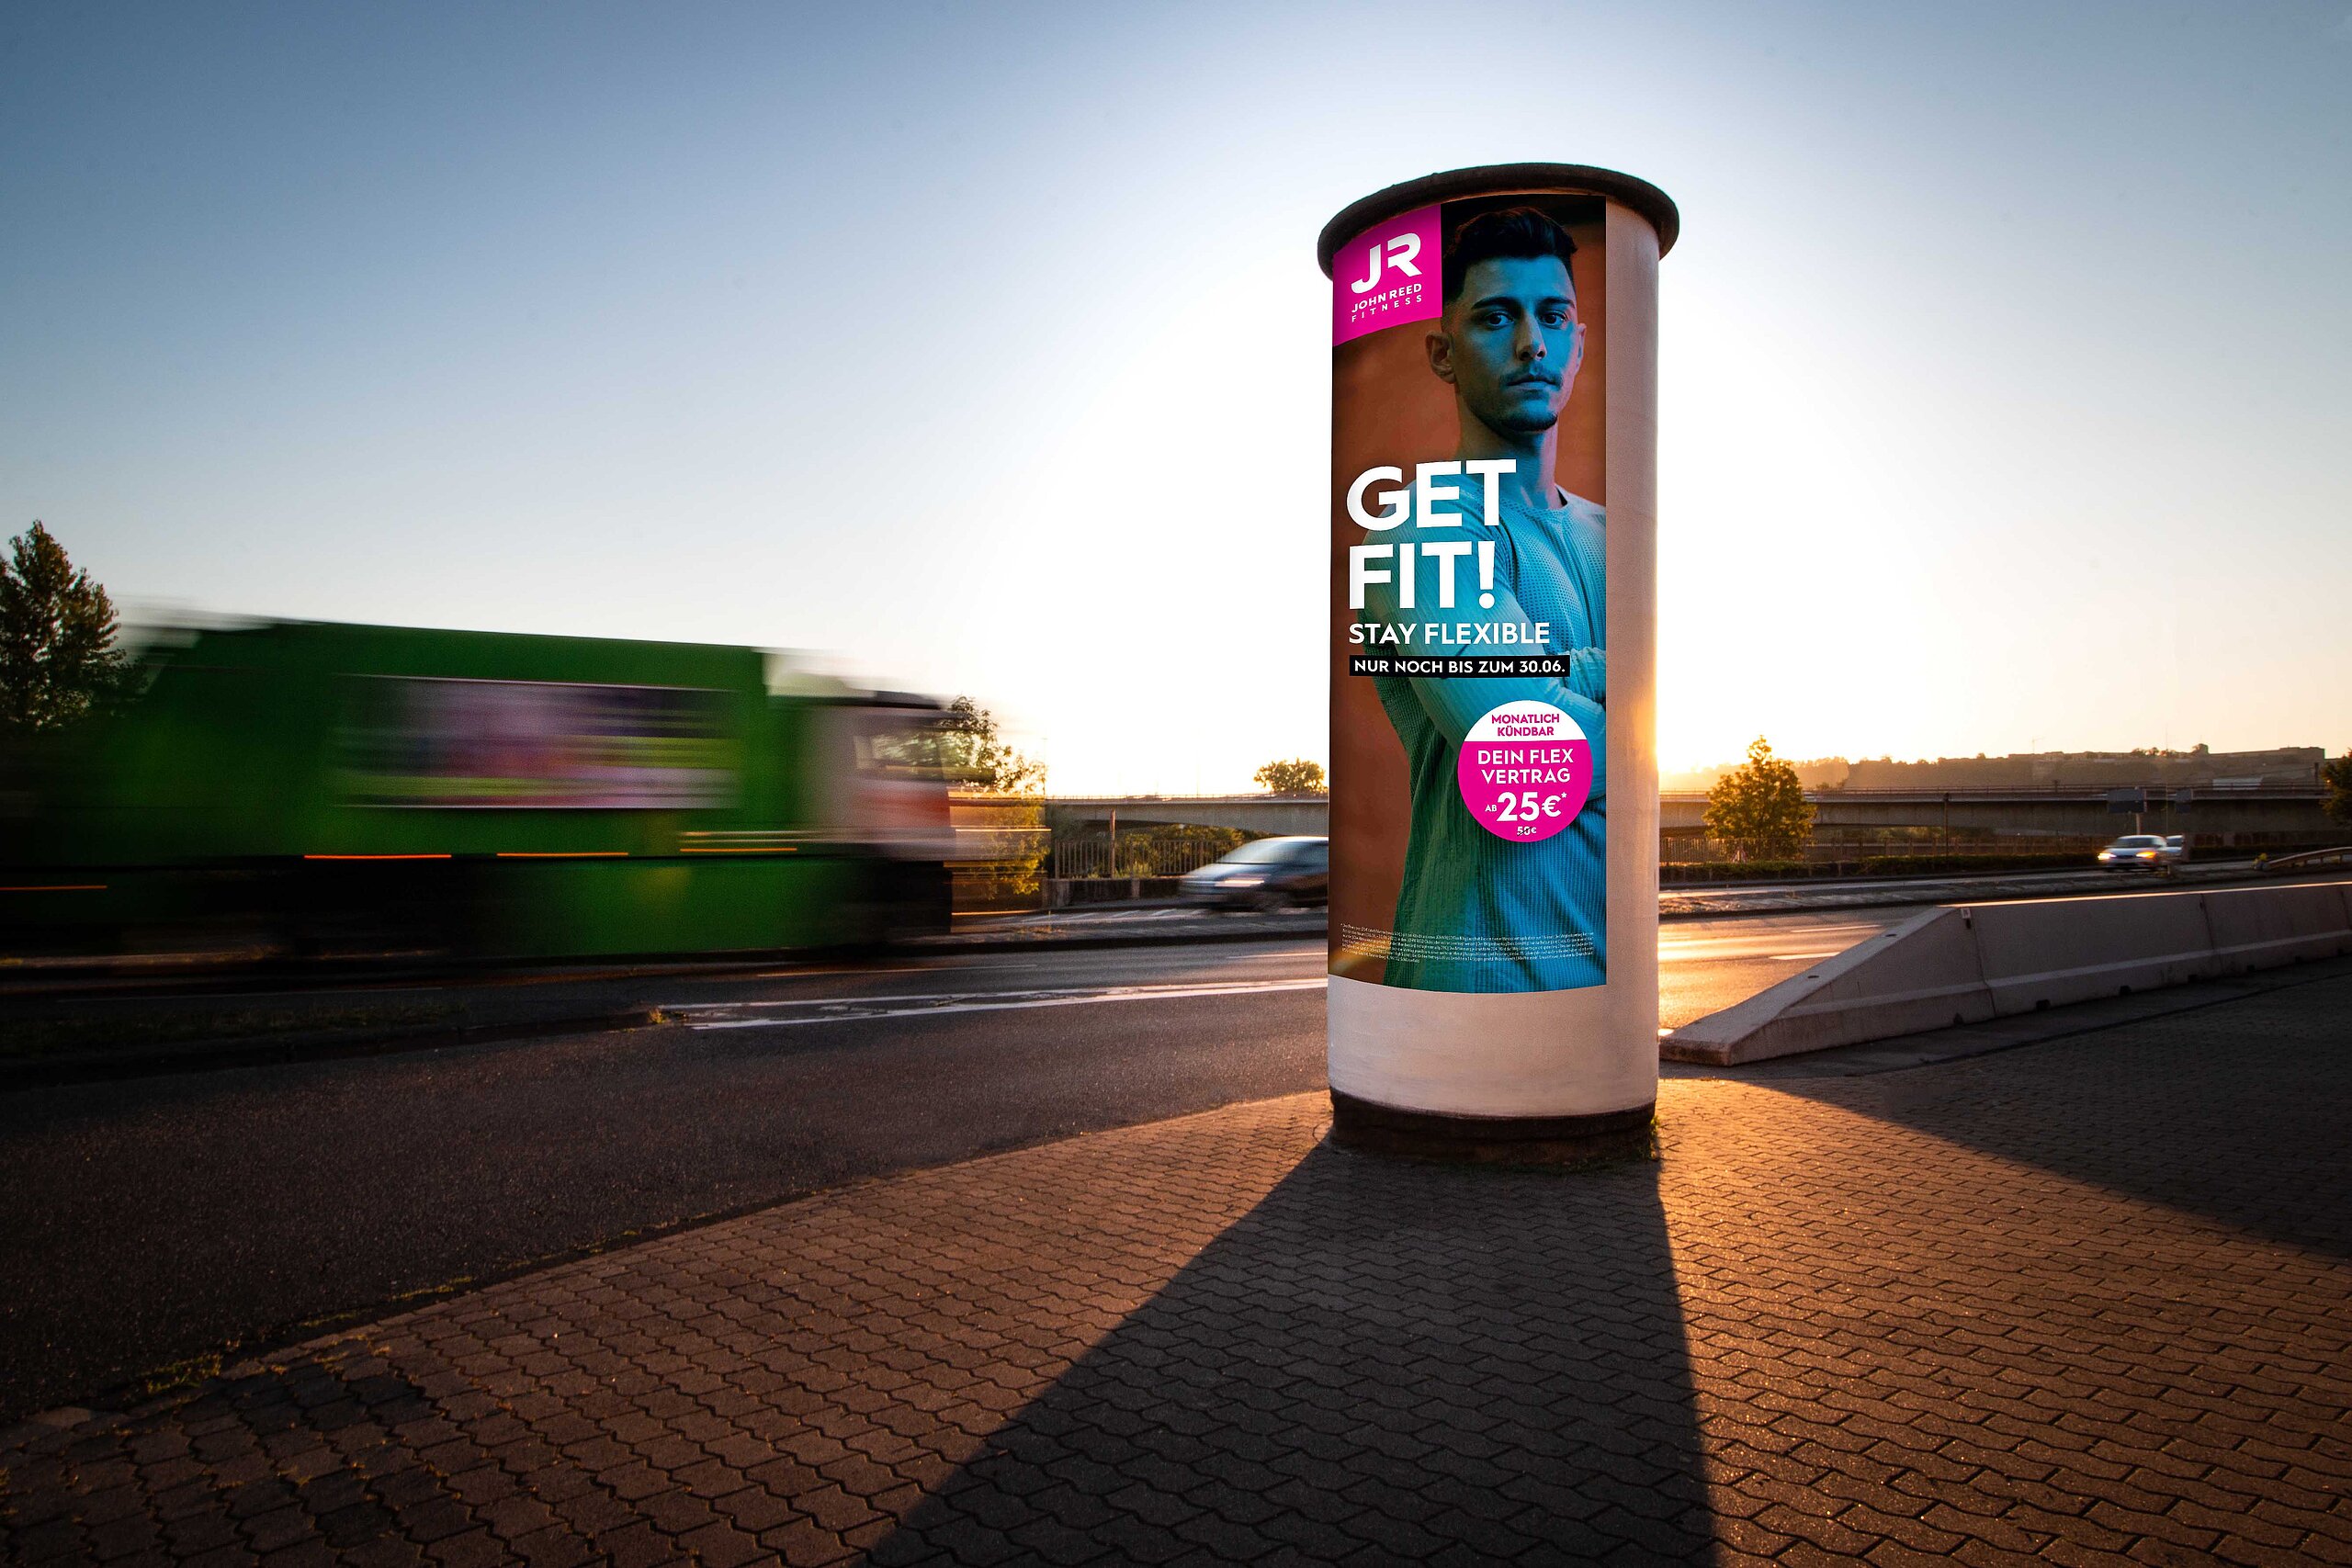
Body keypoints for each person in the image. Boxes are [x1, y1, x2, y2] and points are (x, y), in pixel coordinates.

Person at [1358, 206, 1608, 991]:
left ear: (1578, 342)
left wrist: (1563, 677)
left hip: (1605, 993)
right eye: (1496, 317)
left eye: (1553, 315)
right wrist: (1612, 669)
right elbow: (1524, 764)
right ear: (1442, 352)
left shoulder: (1616, 533)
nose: (1533, 342)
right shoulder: (1421, 531)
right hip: (1468, 990)